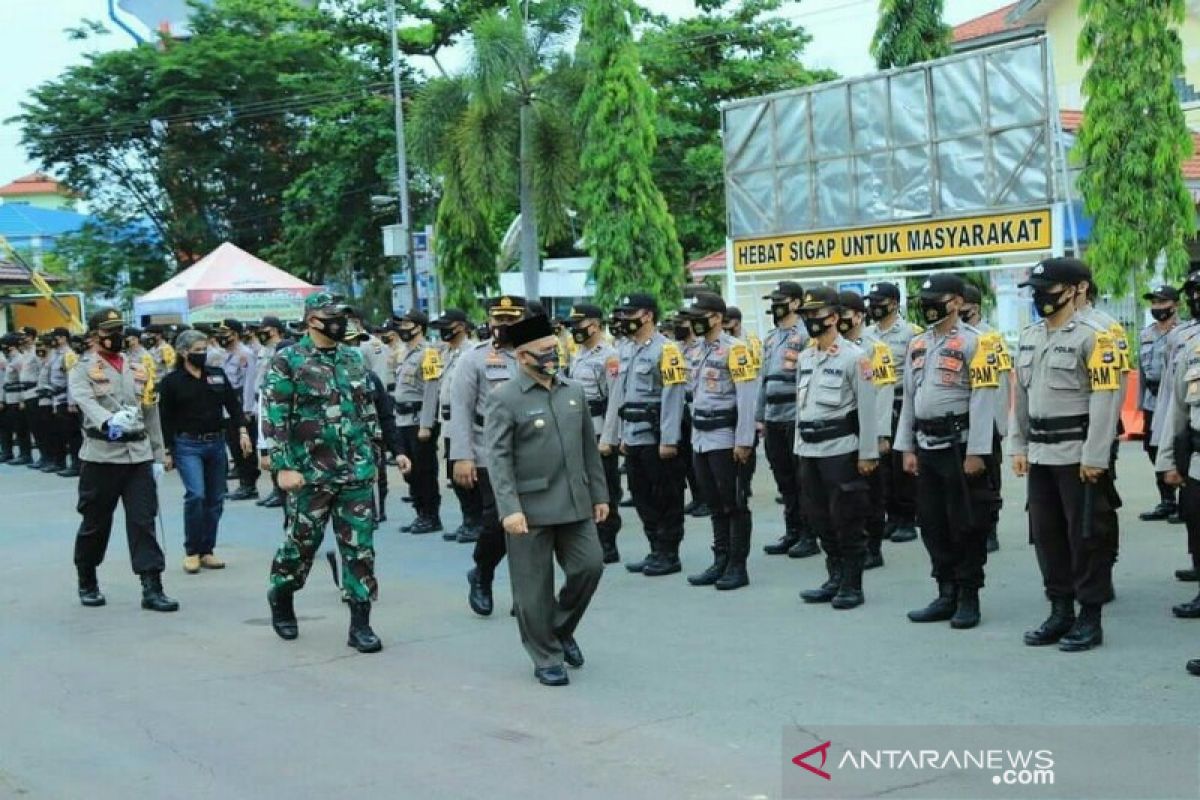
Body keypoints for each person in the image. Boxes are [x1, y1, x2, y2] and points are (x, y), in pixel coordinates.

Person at [263, 292, 400, 653]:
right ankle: (281, 595)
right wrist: (283, 466)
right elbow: (275, 417)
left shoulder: (353, 358)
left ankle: (360, 624)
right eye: (333, 316)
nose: (341, 322)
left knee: (360, 548)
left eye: (343, 316)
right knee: (300, 545)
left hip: (355, 470)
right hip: (309, 473)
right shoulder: (287, 361)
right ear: (312, 320)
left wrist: (377, 452)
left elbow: (366, 409)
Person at [485, 314, 608, 687]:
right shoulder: (504, 398)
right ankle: (546, 656)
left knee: (590, 566)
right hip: (530, 509)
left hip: (574, 501)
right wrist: (509, 510)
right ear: (523, 357)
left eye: (554, 349)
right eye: (543, 352)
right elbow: (498, 459)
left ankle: (559, 628)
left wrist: (600, 494)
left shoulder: (572, 391)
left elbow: (588, 447)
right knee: (533, 589)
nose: (552, 356)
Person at [1009, 257, 1121, 652]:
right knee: (1047, 536)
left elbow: (1106, 400)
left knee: (1085, 536)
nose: (1041, 299)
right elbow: (1019, 399)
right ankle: (1060, 611)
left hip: (1077, 456)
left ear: (1076, 291)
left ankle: (1089, 617)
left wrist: (1096, 457)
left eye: (1049, 291)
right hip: (1040, 454)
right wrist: (1018, 446)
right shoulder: (1029, 336)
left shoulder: (1096, 336)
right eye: (1036, 292)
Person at [895, 275, 998, 629]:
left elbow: (985, 400)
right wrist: (905, 446)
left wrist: (978, 451)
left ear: (955, 302)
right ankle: (945, 591)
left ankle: (969, 595)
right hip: (926, 445)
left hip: (960, 445)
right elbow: (909, 398)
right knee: (933, 523)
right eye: (924, 300)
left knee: (966, 523)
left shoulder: (979, 342)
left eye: (935, 299)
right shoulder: (917, 343)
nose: (928, 305)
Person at [70, 308, 177, 612]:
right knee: (95, 523)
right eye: (108, 331)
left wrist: (158, 454)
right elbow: (84, 400)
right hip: (101, 456)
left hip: (138, 457)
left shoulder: (138, 366)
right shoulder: (82, 368)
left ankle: (152, 587)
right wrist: (108, 420)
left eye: (119, 330)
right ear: (94, 335)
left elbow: (150, 411)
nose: (116, 337)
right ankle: (87, 579)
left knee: (143, 522)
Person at [795, 287, 879, 609]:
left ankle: (852, 585)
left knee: (846, 519)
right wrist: (798, 447)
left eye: (814, 315)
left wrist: (868, 453)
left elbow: (867, 409)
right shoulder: (805, 356)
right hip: (810, 450)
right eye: (806, 316)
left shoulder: (855, 357)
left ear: (832, 317)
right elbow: (801, 405)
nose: (809, 321)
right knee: (819, 518)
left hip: (841, 450)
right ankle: (834, 576)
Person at [600, 294, 688, 576]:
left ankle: (669, 552)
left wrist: (669, 439)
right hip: (634, 434)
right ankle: (654, 548)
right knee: (640, 495)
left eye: (631, 313)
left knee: (666, 495)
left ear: (647, 315)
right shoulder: (624, 349)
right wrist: (620, 436)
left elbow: (673, 396)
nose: (625, 319)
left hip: (657, 435)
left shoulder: (668, 350)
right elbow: (621, 395)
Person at [450, 295, 525, 616]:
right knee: (498, 521)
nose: (505, 325)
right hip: (488, 451)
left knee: (530, 525)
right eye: (500, 319)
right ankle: (482, 573)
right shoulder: (474, 358)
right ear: (490, 321)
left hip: (531, 451)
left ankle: (525, 592)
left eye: (512, 319)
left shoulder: (539, 354)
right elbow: (461, 410)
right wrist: (462, 457)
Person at [680, 293, 759, 590]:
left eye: (700, 314)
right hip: (700, 436)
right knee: (714, 502)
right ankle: (720, 560)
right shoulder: (695, 350)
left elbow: (747, 396)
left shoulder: (736, 350)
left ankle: (738, 566)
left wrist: (744, 441)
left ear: (715, 317)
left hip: (726, 437)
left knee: (734, 502)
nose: (694, 320)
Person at [159, 330, 251, 573]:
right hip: (187, 445)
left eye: (204, 349)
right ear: (183, 352)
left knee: (215, 499)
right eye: (197, 350)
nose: (202, 354)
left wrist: (242, 431)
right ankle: (191, 551)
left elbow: (233, 405)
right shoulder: (171, 382)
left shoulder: (216, 376)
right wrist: (166, 451)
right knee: (196, 495)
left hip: (216, 443)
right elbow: (164, 418)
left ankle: (207, 549)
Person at [836, 290, 896, 569]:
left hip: (867, 431)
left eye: (844, 314)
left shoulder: (875, 348)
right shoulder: (830, 347)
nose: (839, 320)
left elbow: (883, 392)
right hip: (840, 434)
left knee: (871, 493)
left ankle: (873, 547)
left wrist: (879, 436)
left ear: (859, 315)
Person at [757, 281, 815, 558]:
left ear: (795, 303)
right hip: (773, 417)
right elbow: (762, 380)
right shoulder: (770, 338)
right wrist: (760, 417)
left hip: (795, 417)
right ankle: (792, 531)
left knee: (802, 479)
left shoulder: (805, 334)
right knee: (784, 480)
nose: (774, 306)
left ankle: (808, 533)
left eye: (780, 300)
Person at [565, 303, 623, 564]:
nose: (575, 330)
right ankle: (591, 541)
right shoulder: (577, 354)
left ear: (596, 325)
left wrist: (610, 437)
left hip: (599, 430)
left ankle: (608, 542)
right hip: (577, 428)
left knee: (605, 487)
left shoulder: (609, 356)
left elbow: (614, 400)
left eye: (581, 325)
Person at [866, 282, 921, 543]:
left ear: (894, 303)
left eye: (880, 301)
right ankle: (891, 515)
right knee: (883, 464)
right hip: (878, 402)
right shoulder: (867, 334)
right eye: (871, 301)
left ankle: (907, 518)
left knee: (901, 462)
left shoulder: (911, 333)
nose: (874, 306)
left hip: (901, 400)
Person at [960, 283, 1012, 553]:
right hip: (959, 419)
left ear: (975, 309)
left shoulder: (991, 339)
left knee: (988, 477)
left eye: (962, 309)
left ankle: (990, 527)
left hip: (987, 419)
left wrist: (999, 424)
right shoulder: (951, 337)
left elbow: (1002, 384)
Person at [1155, 323, 1200, 621]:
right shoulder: (1193, 346)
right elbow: (1179, 406)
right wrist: (1169, 460)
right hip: (1197, 458)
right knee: (1196, 520)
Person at [431, 309, 481, 543]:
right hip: (449, 421)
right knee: (453, 473)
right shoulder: (447, 353)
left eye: (447, 325)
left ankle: (476, 522)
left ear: (460, 326)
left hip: (465, 421)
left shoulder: (471, 352)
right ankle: (467, 520)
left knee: (468, 475)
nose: (442, 330)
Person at [393, 310, 443, 533]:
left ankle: (431, 515)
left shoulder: (429, 353)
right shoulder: (404, 353)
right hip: (403, 419)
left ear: (419, 327)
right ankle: (420, 512)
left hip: (419, 419)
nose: (402, 328)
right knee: (409, 470)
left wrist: (427, 424)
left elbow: (432, 391)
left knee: (424, 470)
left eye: (407, 324)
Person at [1138, 284, 1181, 522]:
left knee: (1177, 447)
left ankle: (1186, 501)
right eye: (1154, 303)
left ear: (1176, 305)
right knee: (1153, 449)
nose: (1158, 308)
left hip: (1174, 399)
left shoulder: (1184, 332)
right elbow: (1143, 374)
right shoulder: (1146, 334)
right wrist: (1139, 403)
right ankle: (1167, 500)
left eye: (1163, 303)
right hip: (1151, 401)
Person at [214, 319, 260, 501]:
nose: (221, 337)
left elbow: (249, 382)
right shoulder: (224, 354)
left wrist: (247, 410)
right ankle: (243, 482)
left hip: (241, 404)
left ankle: (249, 484)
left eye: (225, 333)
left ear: (234, 334)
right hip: (227, 405)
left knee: (245, 447)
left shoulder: (245, 354)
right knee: (233, 445)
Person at [252, 316, 287, 508]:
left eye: (263, 329)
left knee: (274, 446)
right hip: (262, 400)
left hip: (274, 402)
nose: (260, 332)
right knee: (266, 445)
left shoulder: (284, 349)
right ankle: (276, 489)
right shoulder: (264, 350)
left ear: (273, 329)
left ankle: (281, 490)